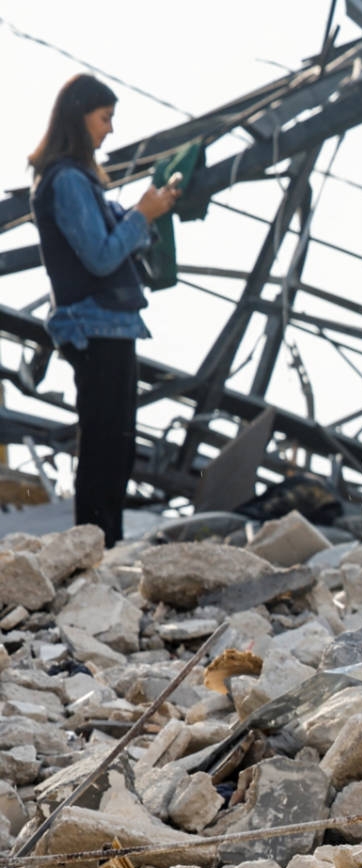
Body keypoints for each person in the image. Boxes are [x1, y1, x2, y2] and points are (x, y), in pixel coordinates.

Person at [27, 73, 179, 544]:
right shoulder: (68, 181)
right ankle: (95, 546)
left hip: (106, 327)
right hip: (94, 326)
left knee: (115, 443)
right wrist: (143, 215)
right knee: (104, 444)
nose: (109, 130)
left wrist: (146, 213)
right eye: (104, 118)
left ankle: (101, 544)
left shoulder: (77, 181)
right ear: (80, 118)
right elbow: (100, 255)